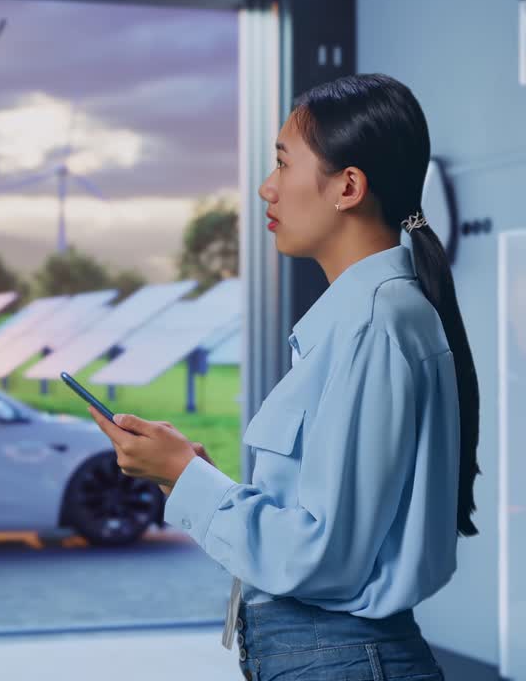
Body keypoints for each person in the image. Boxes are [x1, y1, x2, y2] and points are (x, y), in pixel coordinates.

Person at [87, 73, 480, 681]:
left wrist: (186, 479)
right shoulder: (362, 319)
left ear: (347, 186)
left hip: (340, 658)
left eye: (282, 163)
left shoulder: (373, 323)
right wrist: (194, 477)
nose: (267, 188)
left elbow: (325, 556)